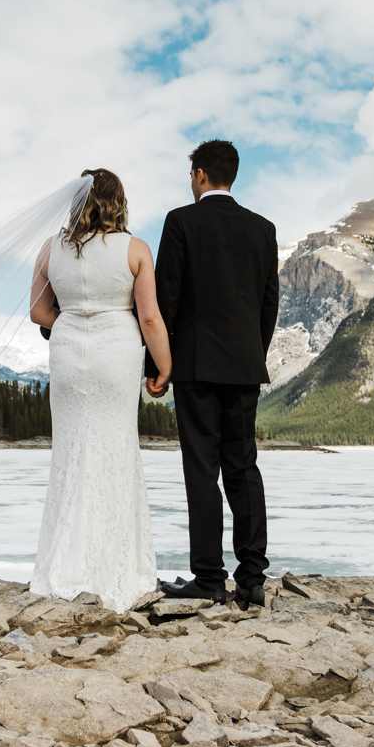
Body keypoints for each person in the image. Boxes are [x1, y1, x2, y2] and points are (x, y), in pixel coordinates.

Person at [27, 168, 172, 610]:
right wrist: (164, 367)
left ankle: (62, 567)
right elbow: (149, 318)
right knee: (115, 450)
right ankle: (117, 570)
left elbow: (38, 311)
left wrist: (72, 324)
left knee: (71, 453)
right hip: (116, 357)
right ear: (118, 201)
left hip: (70, 358)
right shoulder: (136, 250)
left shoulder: (52, 249)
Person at [148, 140, 279, 609]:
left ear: (200, 175)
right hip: (244, 369)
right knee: (243, 467)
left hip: (197, 368)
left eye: (191, 174)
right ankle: (252, 578)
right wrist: (251, 355)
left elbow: (167, 299)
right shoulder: (263, 229)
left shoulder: (181, 222)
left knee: (202, 471)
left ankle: (208, 577)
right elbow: (269, 305)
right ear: (233, 176)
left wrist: (157, 366)